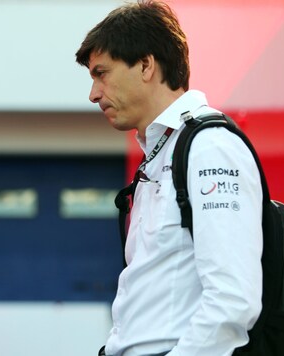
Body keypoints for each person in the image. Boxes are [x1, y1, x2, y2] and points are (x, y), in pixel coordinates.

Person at [75, 2, 264, 355]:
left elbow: (233, 299)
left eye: (101, 74)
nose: (94, 94)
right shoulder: (164, 152)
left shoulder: (209, 147)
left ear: (146, 65)